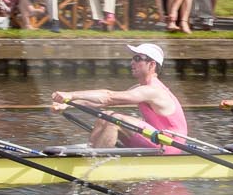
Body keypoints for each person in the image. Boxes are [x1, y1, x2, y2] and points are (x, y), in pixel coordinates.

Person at [49, 43, 188, 152]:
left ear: (152, 65)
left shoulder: (153, 91)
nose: (132, 62)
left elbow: (109, 97)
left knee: (113, 119)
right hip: (155, 138)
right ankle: (92, 152)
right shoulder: (139, 89)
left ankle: (97, 163)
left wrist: (71, 95)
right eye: (133, 58)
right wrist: (68, 104)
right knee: (105, 115)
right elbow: (105, 103)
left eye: (138, 58)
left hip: (169, 144)